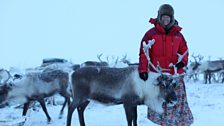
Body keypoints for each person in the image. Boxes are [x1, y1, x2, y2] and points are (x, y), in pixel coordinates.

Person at [138, 4, 194, 126]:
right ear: (159, 17)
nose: (165, 19)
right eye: (163, 17)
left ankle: (178, 123)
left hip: (174, 75)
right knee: (160, 103)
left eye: (168, 17)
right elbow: (144, 52)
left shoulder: (178, 35)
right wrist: (143, 70)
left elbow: (184, 51)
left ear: (172, 18)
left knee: (176, 102)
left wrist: (181, 63)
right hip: (158, 76)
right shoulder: (150, 34)